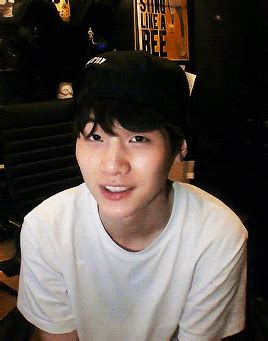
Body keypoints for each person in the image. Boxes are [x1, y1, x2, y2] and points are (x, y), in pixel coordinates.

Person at [17, 50, 248, 340]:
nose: (113, 165)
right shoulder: (46, 228)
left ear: (179, 149)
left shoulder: (216, 236)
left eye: (138, 139)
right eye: (95, 137)